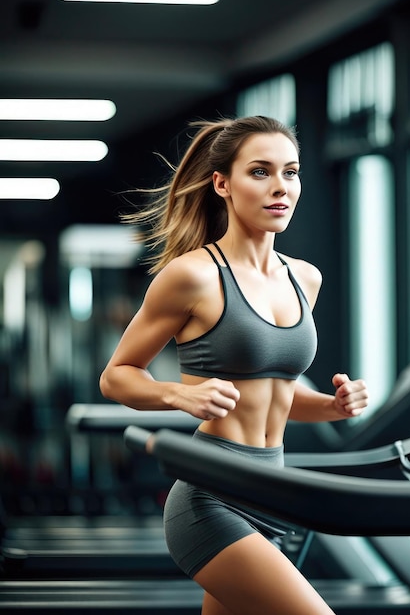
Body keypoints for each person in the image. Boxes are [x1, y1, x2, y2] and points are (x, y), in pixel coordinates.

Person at [99, 115, 369, 615]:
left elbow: (278, 399)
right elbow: (116, 375)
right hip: (212, 500)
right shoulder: (193, 276)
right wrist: (180, 395)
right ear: (222, 183)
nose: (280, 188)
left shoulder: (304, 279)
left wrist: (333, 406)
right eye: (261, 172)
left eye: (291, 172)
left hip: (274, 494)